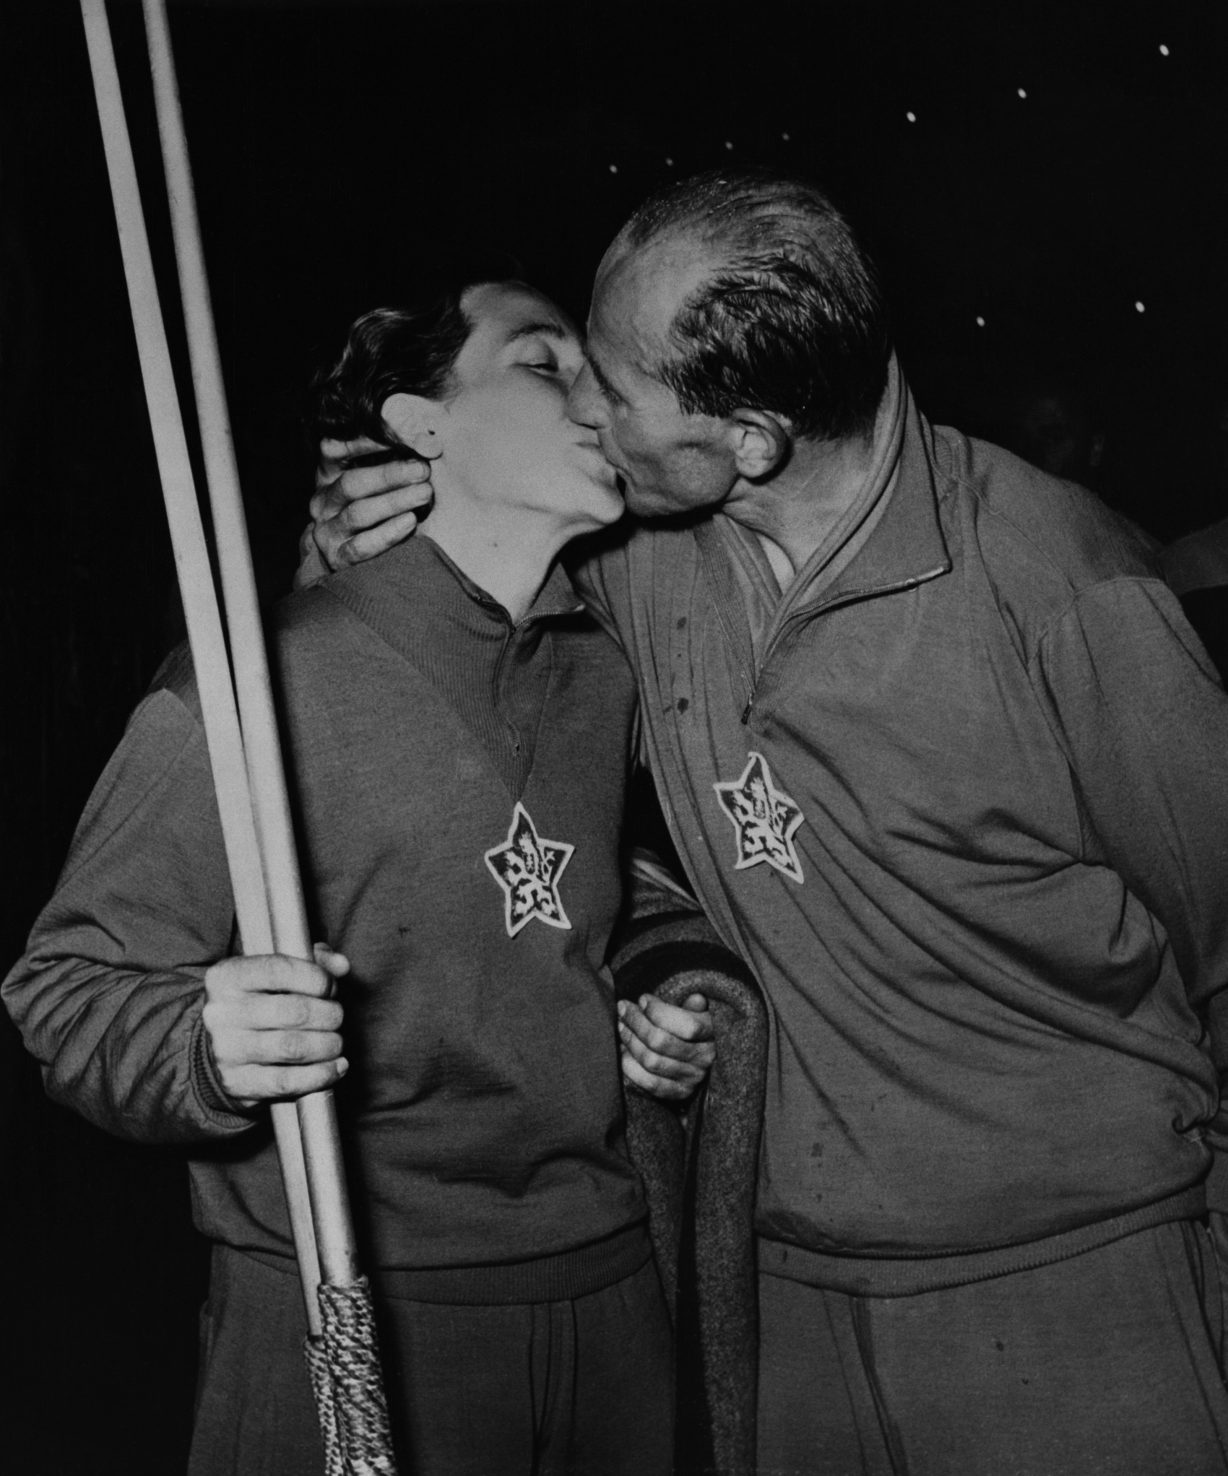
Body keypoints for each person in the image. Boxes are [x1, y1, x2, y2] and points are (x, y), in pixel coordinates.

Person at [309, 168, 1228, 1475]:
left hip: (1082, 1287)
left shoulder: (1067, 592)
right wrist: (343, 547)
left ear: (747, 438)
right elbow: (467, 779)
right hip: (791, 1296)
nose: (589, 414)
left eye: (616, 394)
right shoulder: (639, 555)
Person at [3, 274, 729, 1476]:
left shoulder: (605, 671)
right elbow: (66, 991)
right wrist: (200, 1044)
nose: (594, 396)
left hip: (609, 1282)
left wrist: (643, 1001)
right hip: (352, 1296)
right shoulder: (257, 684)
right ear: (420, 423)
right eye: (544, 364)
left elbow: (571, 909)